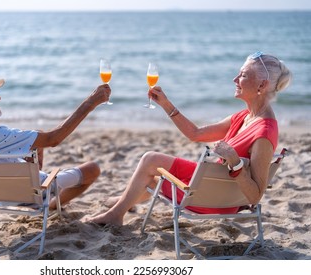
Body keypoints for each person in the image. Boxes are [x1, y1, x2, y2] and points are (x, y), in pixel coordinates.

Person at [85, 52, 292, 226]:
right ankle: (122, 202)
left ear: (262, 85)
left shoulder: (264, 132)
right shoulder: (244, 116)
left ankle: (116, 212)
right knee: (152, 169)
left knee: (151, 163)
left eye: (243, 75)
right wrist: (166, 104)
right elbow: (196, 134)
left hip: (214, 198)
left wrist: (235, 162)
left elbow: (255, 195)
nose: (235, 79)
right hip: (211, 186)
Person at [0, 68, 111, 209]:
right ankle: (49, 206)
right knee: (92, 169)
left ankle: (38, 193)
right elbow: (54, 139)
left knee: (35, 139)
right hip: (20, 193)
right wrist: (90, 103)